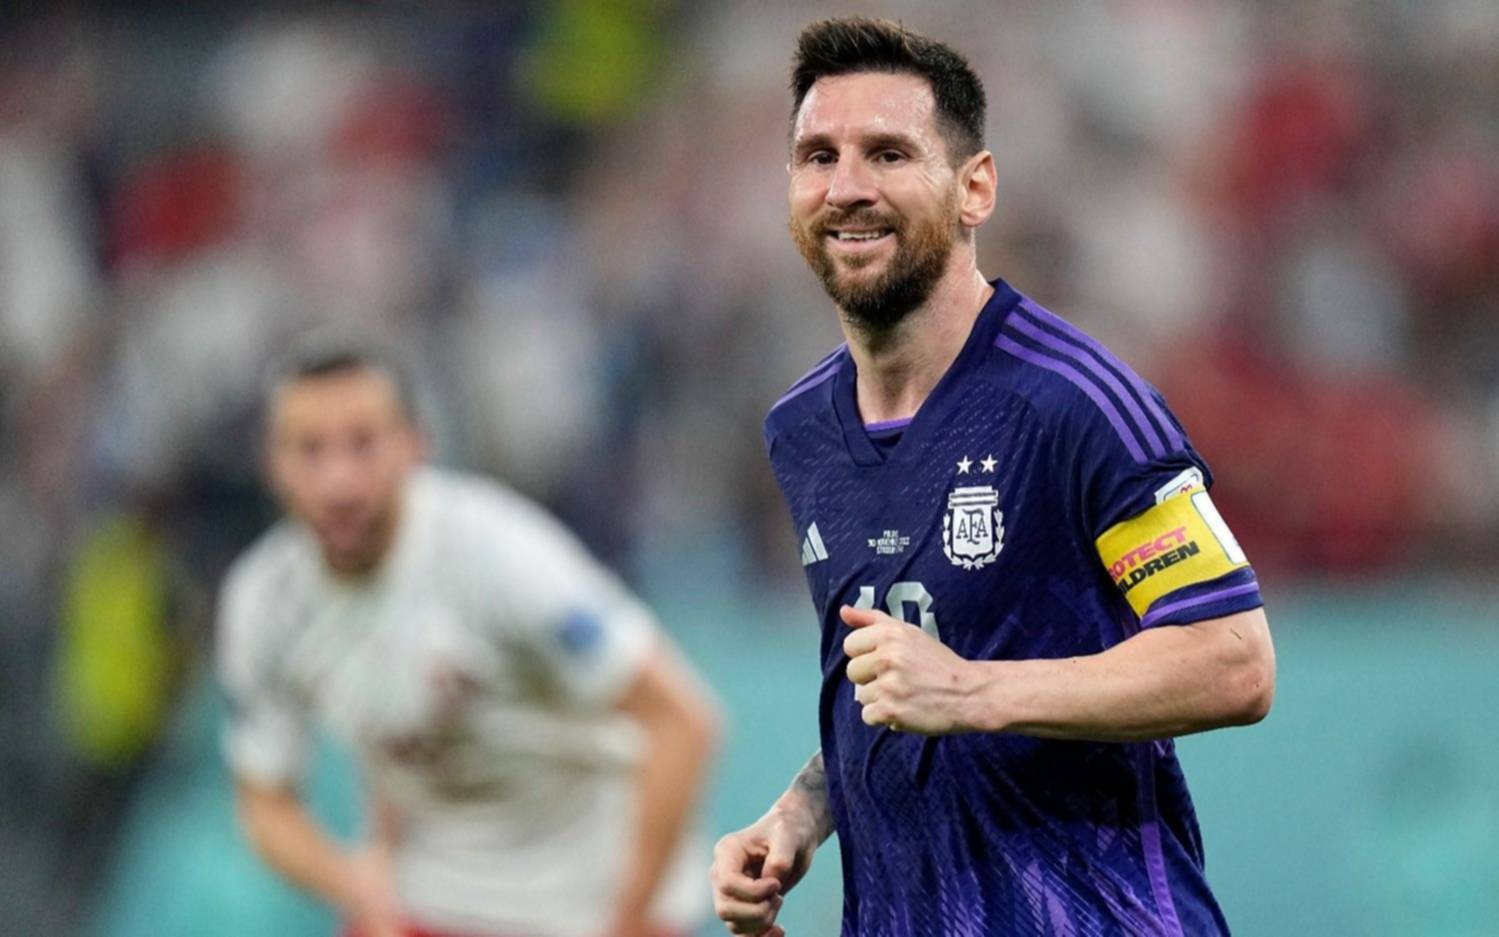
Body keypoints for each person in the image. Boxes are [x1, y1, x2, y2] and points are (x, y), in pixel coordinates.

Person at [710, 17, 1275, 937]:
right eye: (818, 157)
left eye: (888, 154)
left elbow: (1233, 658)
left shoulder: (1075, 402)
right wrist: (802, 812)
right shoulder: (800, 429)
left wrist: (971, 692)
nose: (846, 187)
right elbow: (898, 683)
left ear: (974, 188)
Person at [217, 338, 719, 937]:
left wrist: (630, 918)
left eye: (363, 444)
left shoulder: (497, 553)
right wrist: (355, 886)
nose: (339, 482)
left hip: (590, 898)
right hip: (431, 902)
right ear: (272, 464)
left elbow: (681, 722)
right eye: (310, 450)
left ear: (416, 444)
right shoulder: (264, 602)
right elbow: (266, 801)